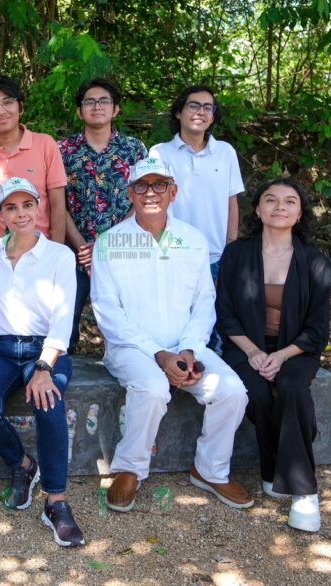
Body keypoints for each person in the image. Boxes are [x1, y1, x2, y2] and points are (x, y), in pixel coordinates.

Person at [90, 157, 252, 512]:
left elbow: (204, 302)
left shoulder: (193, 240)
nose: (151, 192)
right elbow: (107, 311)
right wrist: (158, 355)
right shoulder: (110, 242)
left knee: (232, 392)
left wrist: (191, 350)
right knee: (152, 387)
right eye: (142, 185)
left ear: (173, 191)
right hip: (132, 348)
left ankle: (210, 469)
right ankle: (130, 469)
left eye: (159, 184)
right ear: (130, 193)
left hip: (186, 346)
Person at [0, 177, 85, 547]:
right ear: (0, 213)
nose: (20, 214)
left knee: (48, 403)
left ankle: (56, 501)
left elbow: (63, 319)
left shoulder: (59, 255)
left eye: (27, 205)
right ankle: (23, 465)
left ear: (39, 208)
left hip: (44, 349)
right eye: (11, 207)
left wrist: (43, 368)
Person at [216, 179, 331, 532]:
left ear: (300, 213)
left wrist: (280, 356)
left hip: (296, 349)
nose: (280, 206)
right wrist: (252, 352)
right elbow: (225, 313)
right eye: (271, 200)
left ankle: (303, 491)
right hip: (244, 345)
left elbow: (317, 328)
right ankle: (271, 467)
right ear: (258, 209)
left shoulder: (315, 261)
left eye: (289, 201)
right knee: (258, 392)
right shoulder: (236, 254)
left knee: (294, 390)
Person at [57, 79, 146, 344]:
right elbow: (57, 203)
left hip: (122, 249)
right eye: (89, 101)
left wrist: (106, 245)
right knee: (65, 328)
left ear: (116, 109)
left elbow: (142, 199)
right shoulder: (63, 150)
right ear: (79, 111)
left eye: (104, 101)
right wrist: (83, 247)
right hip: (76, 252)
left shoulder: (134, 149)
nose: (97, 107)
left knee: (129, 330)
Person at [149, 85, 244, 278]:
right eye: (193, 105)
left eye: (208, 107)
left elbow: (231, 204)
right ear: (178, 112)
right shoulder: (160, 153)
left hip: (216, 258)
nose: (201, 111)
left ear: (213, 116)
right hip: (173, 256)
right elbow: (153, 207)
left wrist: (230, 249)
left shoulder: (225, 152)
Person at [0, 75, 67, 242]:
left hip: (41, 248)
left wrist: (55, 252)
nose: (1, 111)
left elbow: (57, 205)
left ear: (20, 107)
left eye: (8, 102)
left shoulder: (45, 144)